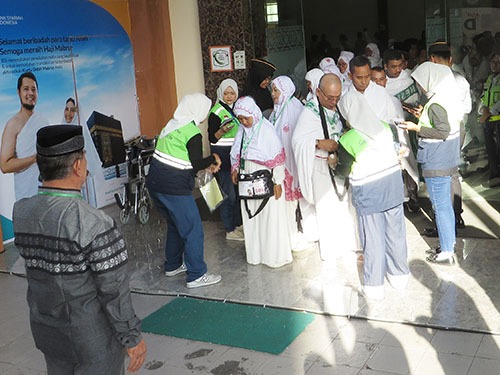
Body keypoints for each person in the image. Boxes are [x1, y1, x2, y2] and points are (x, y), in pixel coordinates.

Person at [13, 125, 147, 374]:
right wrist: (132, 337)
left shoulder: (21, 211)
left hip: (47, 332)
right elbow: (114, 290)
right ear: (77, 166)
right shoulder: (94, 223)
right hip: (91, 341)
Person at [336, 87, 409, 301]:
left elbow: (342, 170)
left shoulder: (348, 140)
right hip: (392, 187)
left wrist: (333, 162)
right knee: (396, 232)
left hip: (369, 192)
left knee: (372, 237)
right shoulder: (386, 128)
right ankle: (399, 276)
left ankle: (374, 285)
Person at [146, 93, 222, 288]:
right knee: (193, 229)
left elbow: (183, 159)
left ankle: (173, 265)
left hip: (155, 184)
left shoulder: (170, 126)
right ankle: (196, 274)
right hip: (174, 188)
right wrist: (212, 160)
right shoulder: (192, 132)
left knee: (174, 223)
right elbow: (196, 163)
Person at [292, 74, 357, 261]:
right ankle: (331, 252)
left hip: (340, 165)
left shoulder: (339, 106)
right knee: (327, 209)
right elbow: (297, 140)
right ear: (318, 92)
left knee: (344, 205)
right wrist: (319, 142)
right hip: (321, 167)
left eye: (337, 97)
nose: (333, 101)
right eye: (329, 98)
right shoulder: (309, 112)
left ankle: (346, 245)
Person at [403, 62, 462, 265]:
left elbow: (442, 131)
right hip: (444, 158)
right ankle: (448, 243)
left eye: (420, 82)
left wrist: (415, 128)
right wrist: (422, 118)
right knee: (444, 205)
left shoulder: (436, 103)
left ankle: (446, 251)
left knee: (441, 206)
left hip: (437, 160)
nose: (420, 87)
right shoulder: (444, 99)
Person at [230, 96, 292, 268]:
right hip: (248, 181)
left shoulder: (266, 130)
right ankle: (256, 255)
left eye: (246, 118)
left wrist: (278, 181)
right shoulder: (242, 131)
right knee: (252, 216)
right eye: (240, 119)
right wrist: (235, 168)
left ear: (254, 114)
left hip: (267, 180)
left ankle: (273, 257)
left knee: (270, 218)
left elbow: (277, 159)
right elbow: (236, 151)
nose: (244, 122)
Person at [428, 42, 473, 229]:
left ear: (431, 60)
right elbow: (468, 108)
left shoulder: (432, 82)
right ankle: (456, 215)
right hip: (458, 127)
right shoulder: (461, 80)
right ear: (451, 59)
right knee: (453, 173)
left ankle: (441, 217)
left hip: (438, 131)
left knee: (437, 174)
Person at [270, 76, 312, 251]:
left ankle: (299, 233)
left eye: (275, 90)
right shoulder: (277, 110)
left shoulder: (295, 108)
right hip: (281, 163)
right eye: (272, 90)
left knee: (295, 199)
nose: (272, 94)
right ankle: (289, 234)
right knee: (285, 201)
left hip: (292, 161)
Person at [371, 66, 420, 213]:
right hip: (378, 145)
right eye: (375, 80)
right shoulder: (366, 100)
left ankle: (410, 197)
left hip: (399, 141)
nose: (379, 83)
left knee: (407, 169)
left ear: (385, 81)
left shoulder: (394, 100)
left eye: (381, 80)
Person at [0, 72, 49, 200]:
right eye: (26, 89)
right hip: (25, 196)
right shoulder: (12, 124)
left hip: (46, 191)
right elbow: (5, 166)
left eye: (34, 89)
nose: (30, 93)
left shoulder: (43, 121)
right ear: (19, 92)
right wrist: (34, 159)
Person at [208, 79, 244, 241]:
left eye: (232, 93)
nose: (229, 96)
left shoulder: (239, 109)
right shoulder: (216, 112)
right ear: (221, 93)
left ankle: (238, 224)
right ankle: (230, 229)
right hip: (223, 159)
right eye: (226, 93)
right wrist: (222, 131)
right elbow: (211, 138)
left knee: (237, 193)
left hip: (236, 158)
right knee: (228, 195)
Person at [62, 97, 105, 207]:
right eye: (67, 109)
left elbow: (89, 162)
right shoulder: (60, 133)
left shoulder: (82, 133)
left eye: (73, 110)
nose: (69, 113)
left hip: (81, 183)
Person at [478, 52, 500, 188]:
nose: (494, 65)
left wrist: (490, 111)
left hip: (497, 118)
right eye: (493, 62)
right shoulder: (489, 79)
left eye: (497, 62)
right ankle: (494, 175)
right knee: (490, 150)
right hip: (488, 120)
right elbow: (483, 96)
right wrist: (482, 110)